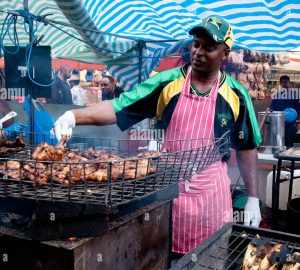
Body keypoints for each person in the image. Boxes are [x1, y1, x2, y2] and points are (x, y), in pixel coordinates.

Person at [53, 16, 262, 256]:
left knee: (209, 259)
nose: (198, 52)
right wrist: (73, 116)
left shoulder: (236, 94)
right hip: (169, 189)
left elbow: (247, 148)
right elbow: (118, 107)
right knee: (162, 257)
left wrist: (253, 198)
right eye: (196, 44)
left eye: (209, 47)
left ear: (225, 53)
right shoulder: (167, 82)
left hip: (212, 195)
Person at [270, 75, 300, 147]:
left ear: (289, 82)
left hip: (291, 124)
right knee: (279, 143)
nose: (284, 83)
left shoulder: (295, 95)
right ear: (280, 83)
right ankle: (280, 157)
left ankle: (290, 157)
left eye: (286, 82)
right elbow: (272, 108)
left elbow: (298, 108)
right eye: (282, 82)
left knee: (290, 143)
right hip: (279, 124)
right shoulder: (277, 95)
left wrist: (294, 116)